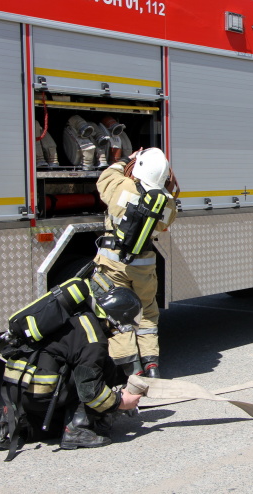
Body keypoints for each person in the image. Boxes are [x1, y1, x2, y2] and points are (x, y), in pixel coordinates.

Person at [0, 281, 144, 459]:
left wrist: (122, 378)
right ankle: (77, 431)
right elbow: (91, 392)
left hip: (18, 388)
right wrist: (120, 401)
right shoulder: (93, 339)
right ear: (116, 318)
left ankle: (8, 421)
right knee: (92, 382)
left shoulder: (75, 318)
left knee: (56, 423)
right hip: (41, 392)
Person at [95, 147, 178, 378]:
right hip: (145, 264)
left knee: (118, 314)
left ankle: (131, 370)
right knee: (148, 314)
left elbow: (105, 178)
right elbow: (166, 220)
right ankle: (152, 365)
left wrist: (125, 160)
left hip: (114, 264)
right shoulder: (168, 204)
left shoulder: (122, 186)